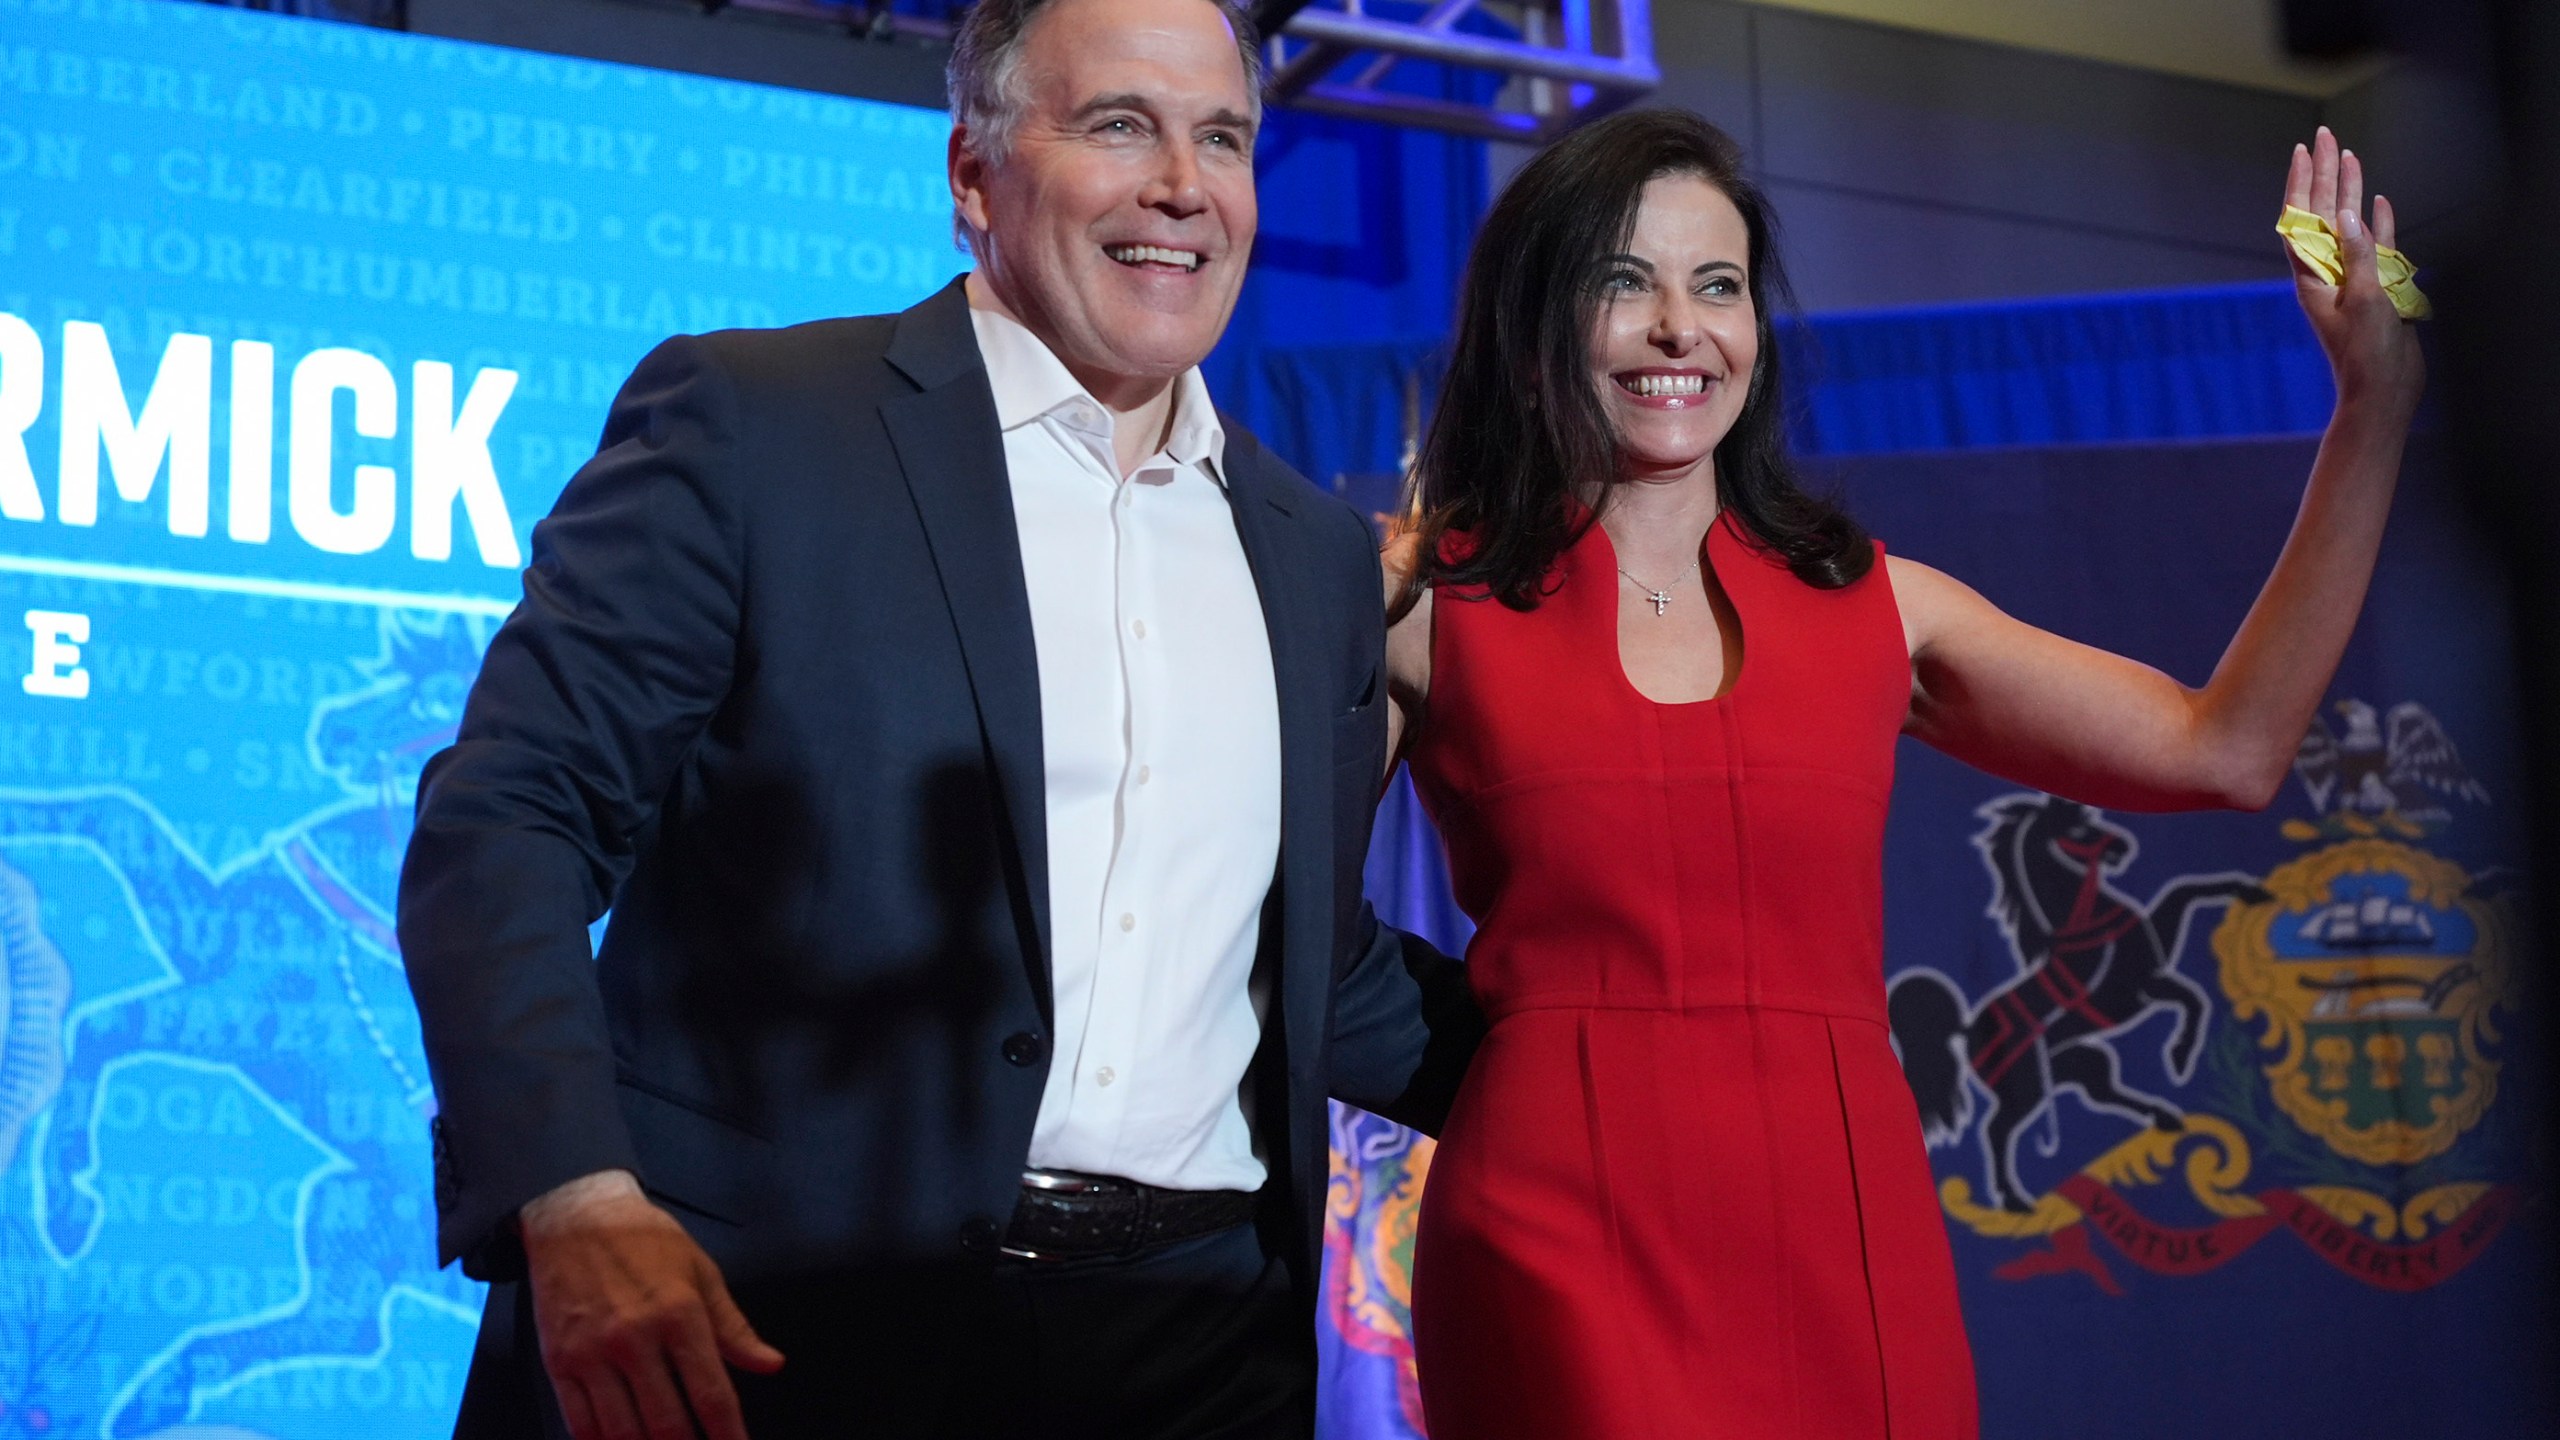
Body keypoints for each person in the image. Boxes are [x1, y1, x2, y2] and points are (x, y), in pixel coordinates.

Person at [397, 0, 1478, 1435]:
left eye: (1221, 137)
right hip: (773, 1332)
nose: (1182, 184)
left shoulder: (1313, 553)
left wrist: (1636, 1075)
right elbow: (510, 822)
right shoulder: (755, 425)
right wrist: (570, 1191)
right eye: (1118, 126)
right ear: (973, 174)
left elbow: (1301, 965)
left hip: (1195, 1353)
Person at [1382, 110, 2421, 1438]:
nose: (1679, 330)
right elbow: (1273, 926)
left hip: (1844, 1237)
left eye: (1717, 287)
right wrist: (1479, 1055)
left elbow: (2227, 747)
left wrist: (2372, 410)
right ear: (1531, 340)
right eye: (1621, 284)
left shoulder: (1879, 609)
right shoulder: (1421, 596)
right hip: (1550, 1230)